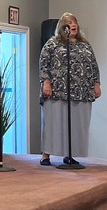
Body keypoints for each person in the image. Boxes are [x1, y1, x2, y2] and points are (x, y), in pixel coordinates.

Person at [39, 12, 101, 166]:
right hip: (57, 91)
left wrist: (96, 84)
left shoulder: (85, 44)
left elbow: (93, 65)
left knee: (75, 125)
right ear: (62, 26)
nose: (73, 25)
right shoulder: (53, 43)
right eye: (69, 22)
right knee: (54, 123)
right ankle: (46, 155)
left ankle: (69, 155)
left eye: (74, 22)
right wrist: (46, 82)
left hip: (81, 91)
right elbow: (44, 63)